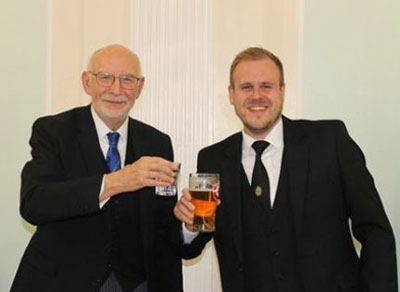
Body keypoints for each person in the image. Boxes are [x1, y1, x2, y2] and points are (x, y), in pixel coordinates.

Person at [174, 47, 398, 292]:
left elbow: (376, 232)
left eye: (266, 86)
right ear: (231, 94)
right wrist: (188, 226)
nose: (256, 96)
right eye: (246, 87)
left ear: (282, 90)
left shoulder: (330, 141)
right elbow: (190, 247)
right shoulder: (212, 158)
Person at [11, 44, 183, 292]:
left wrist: (188, 224)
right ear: (86, 82)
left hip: (137, 284)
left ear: (140, 87)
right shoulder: (53, 131)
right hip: (63, 282)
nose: (116, 89)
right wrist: (116, 181)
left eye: (127, 79)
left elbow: (163, 226)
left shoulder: (157, 142)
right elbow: (34, 203)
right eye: (105, 78)